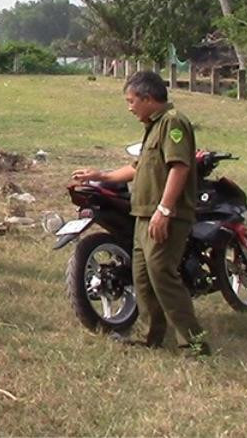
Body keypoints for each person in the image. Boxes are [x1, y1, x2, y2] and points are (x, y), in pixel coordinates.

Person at [71, 71, 210, 356]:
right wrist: (102, 175)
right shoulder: (153, 127)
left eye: (132, 100)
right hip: (143, 215)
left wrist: (165, 210)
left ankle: (194, 343)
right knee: (143, 278)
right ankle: (150, 336)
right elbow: (137, 169)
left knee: (162, 275)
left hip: (164, 215)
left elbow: (179, 167)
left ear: (148, 98)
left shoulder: (173, 123)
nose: (129, 107)